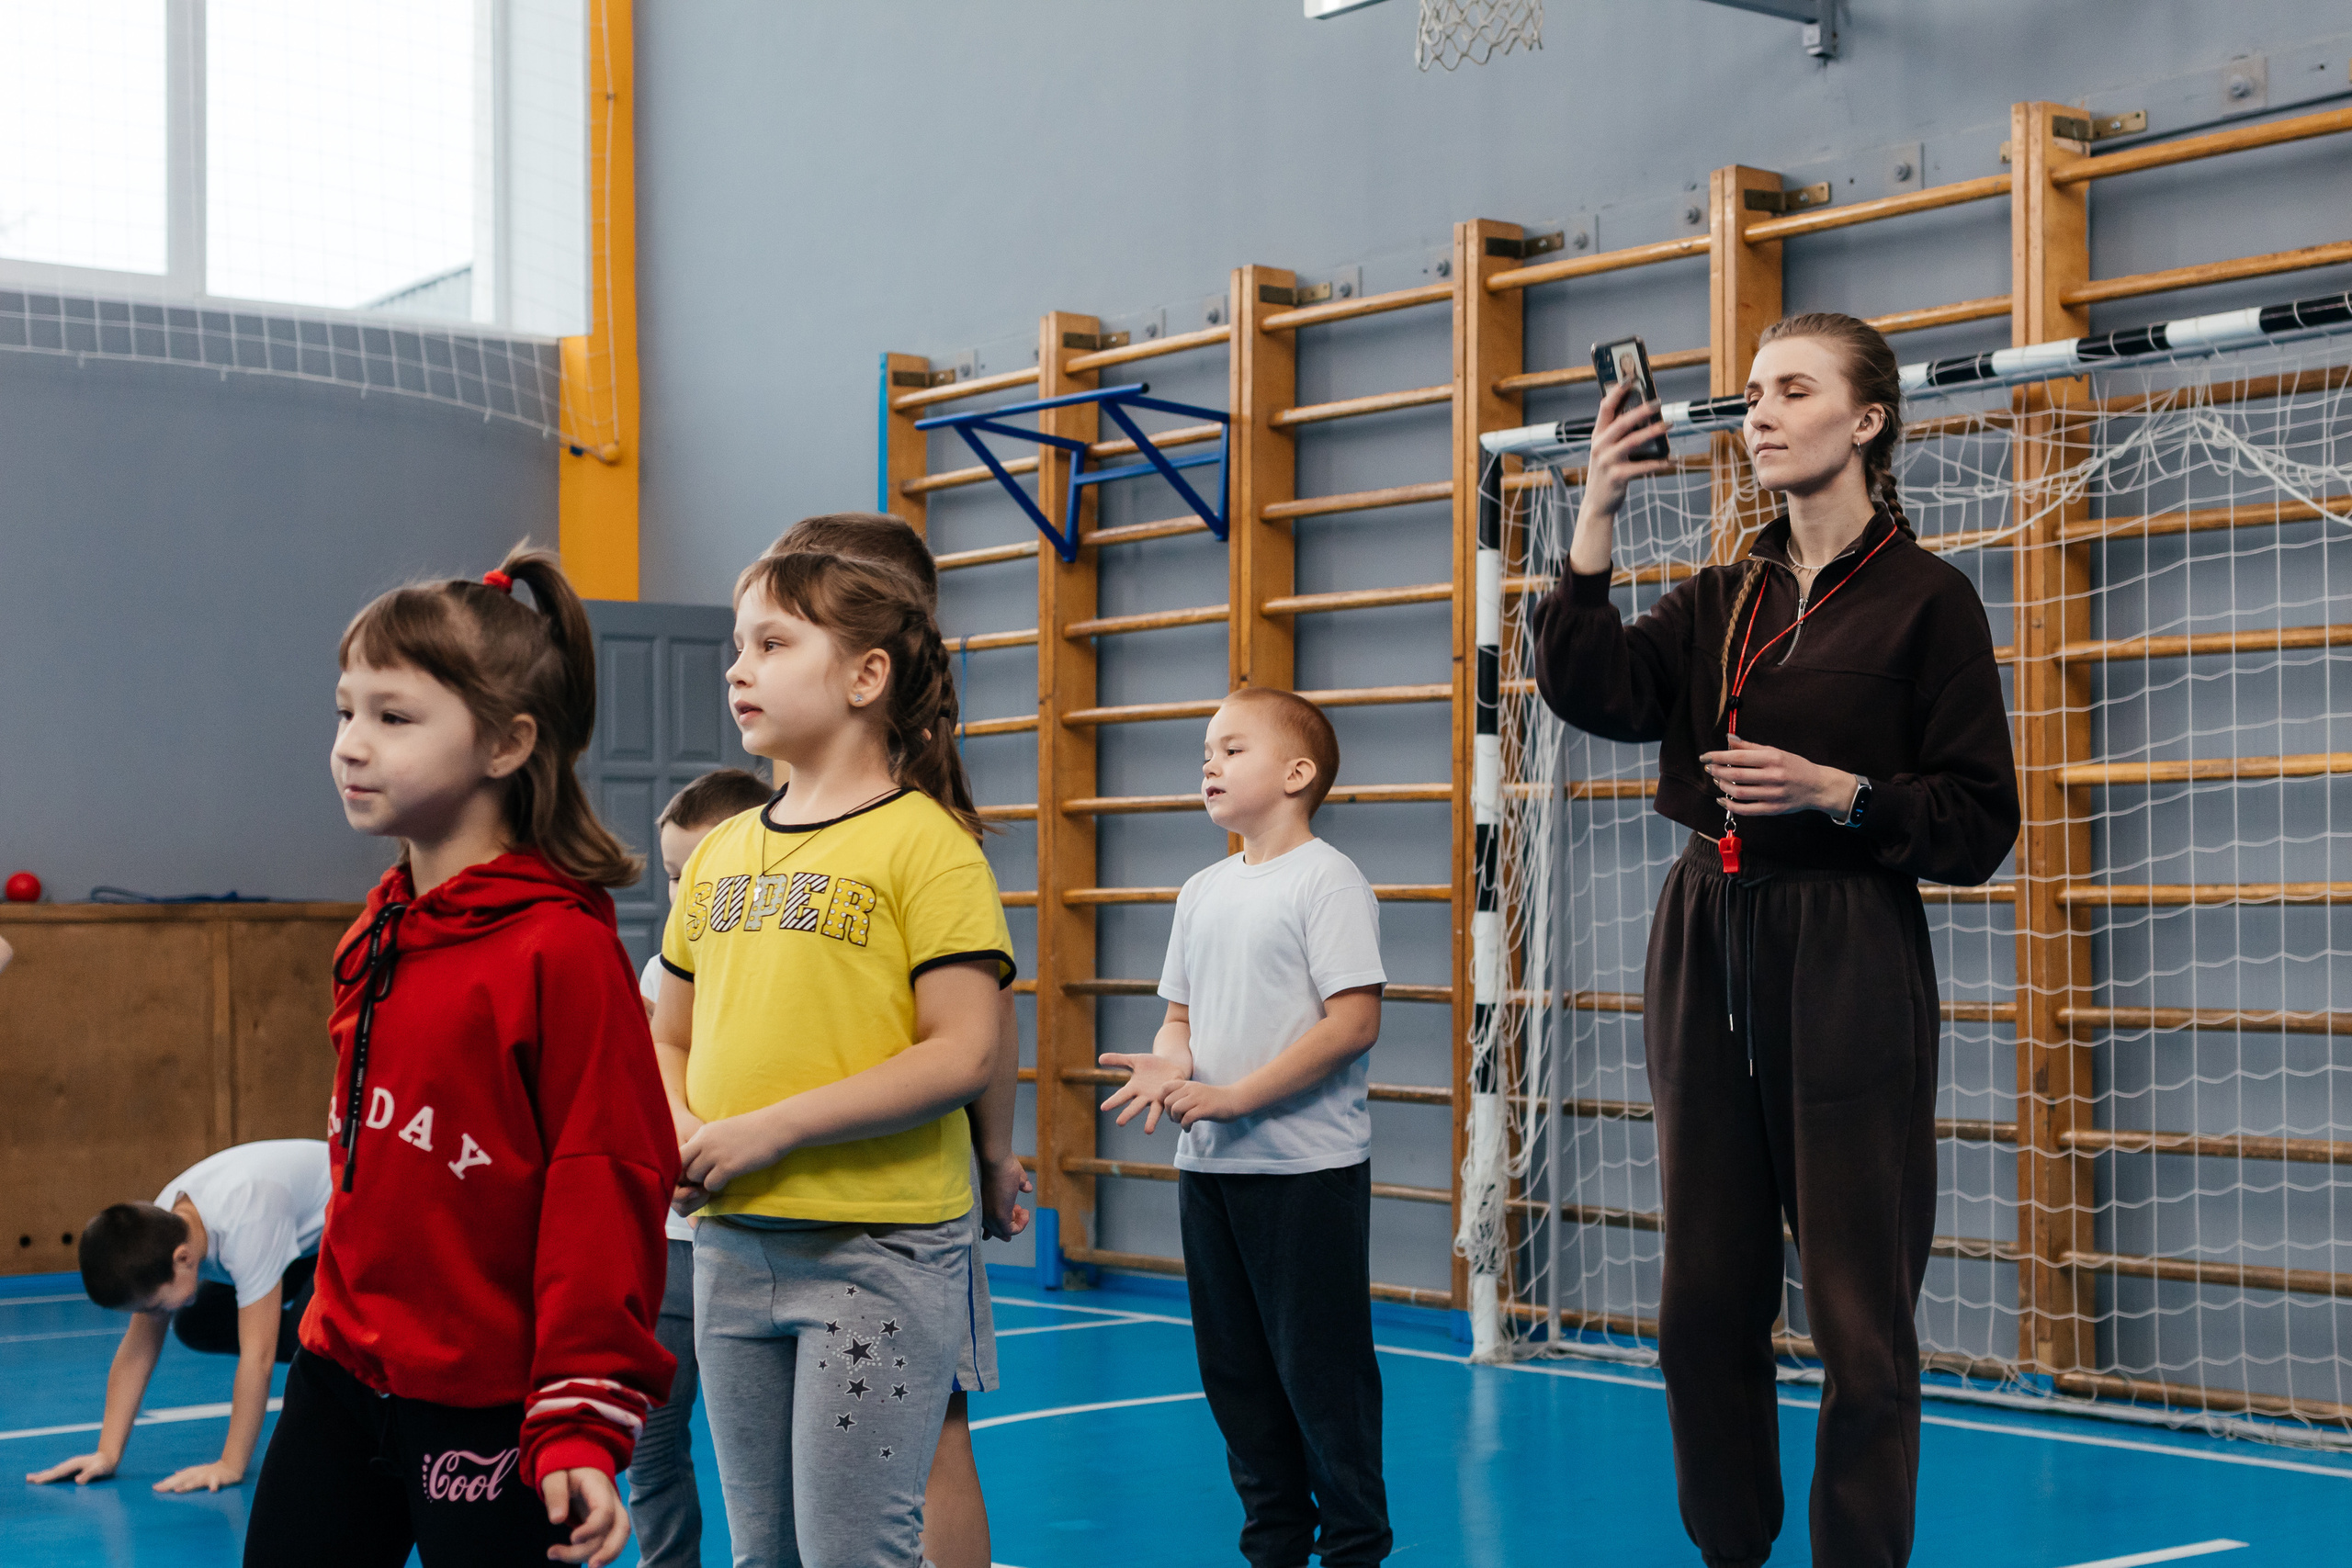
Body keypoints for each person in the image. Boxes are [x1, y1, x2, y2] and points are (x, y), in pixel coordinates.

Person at [1529, 313, 2018, 1568]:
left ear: (1866, 420)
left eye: (1793, 390)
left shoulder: (1930, 602)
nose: (1759, 413)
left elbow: (1979, 824)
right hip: (1706, 938)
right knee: (1699, 1307)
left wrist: (1840, 793)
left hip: (1850, 948)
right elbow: (1592, 688)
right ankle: (1730, 1550)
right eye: (1751, 393)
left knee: (1860, 1322)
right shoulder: (1718, 597)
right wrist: (1596, 516)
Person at [241, 545, 680, 1568]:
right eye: (345, 711)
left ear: (507, 742)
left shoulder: (561, 952)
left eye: (394, 717)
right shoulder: (377, 930)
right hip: (340, 1370)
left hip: (491, 1403)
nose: (350, 745)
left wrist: (578, 1413)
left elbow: (604, 1182)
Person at [653, 543, 1015, 1568]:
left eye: (772, 644)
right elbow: (668, 1032)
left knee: (851, 1551)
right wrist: (681, 1127)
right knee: (762, 1550)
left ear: (866, 676)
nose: (739, 668)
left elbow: (962, 1049)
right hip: (732, 1249)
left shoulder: (928, 848)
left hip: (876, 1255)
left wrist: (772, 1129)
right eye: (738, 647)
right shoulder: (721, 853)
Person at [764, 510, 1031, 1568]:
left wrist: (995, 1152)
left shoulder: (917, 830)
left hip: (901, 1195)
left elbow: (980, 1017)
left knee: (937, 1428)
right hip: (793, 1192)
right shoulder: (794, 807)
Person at [1100, 685, 1390, 1568]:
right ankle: (1274, 1544)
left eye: (1231, 749)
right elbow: (1179, 1019)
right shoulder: (1201, 890)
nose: (1210, 765)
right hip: (1212, 1174)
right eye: (1206, 753)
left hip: (1305, 1175)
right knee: (1236, 1375)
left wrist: (1237, 1096)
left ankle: (1353, 1544)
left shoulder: (1328, 880)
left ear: (1297, 774)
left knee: (1321, 1376)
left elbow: (1353, 1022)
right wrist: (1173, 1063)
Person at [627, 766, 773, 1568]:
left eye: (700, 871)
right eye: (674, 874)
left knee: (763, 1463)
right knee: (650, 1444)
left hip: (759, 1239)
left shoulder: (782, 965)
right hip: (672, 1247)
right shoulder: (663, 971)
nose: (684, 893)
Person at [27, 1139, 331, 1495]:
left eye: (153, 1306)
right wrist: (107, 1454)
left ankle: (341, 1371)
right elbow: (137, 1350)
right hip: (297, 1231)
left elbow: (258, 1357)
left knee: (304, 1334)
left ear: (183, 1258)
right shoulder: (160, 1228)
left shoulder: (247, 1224)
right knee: (194, 1323)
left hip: (352, 1223)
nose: (151, 1316)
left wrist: (230, 1464)